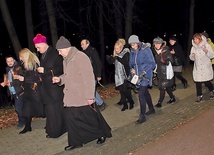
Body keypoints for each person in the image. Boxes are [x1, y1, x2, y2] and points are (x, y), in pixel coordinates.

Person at [52, 36, 112, 151]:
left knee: (90, 118)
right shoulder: (66, 59)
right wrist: (59, 79)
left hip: (82, 95)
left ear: (66, 48)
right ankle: (76, 141)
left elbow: (88, 77)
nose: (59, 53)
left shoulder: (80, 57)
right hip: (70, 96)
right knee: (71, 119)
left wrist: (90, 96)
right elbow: (68, 76)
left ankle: (101, 134)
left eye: (59, 51)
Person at [33, 33, 66, 138]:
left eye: (38, 47)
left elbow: (60, 69)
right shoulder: (43, 54)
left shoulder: (55, 53)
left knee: (55, 110)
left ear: (43, 44)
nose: (37, 50)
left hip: (54, 88)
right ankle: (52, 130)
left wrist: (45, 71)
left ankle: (57, 131)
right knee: (50, 111)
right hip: (46, 88)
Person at [128, 35, 156, 124]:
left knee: (141, 95)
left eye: (134, 43)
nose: (132, 45)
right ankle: (151, 109)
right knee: (145, 93)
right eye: (131, 44)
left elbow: (152, 64)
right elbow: (131, 63)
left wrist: (143, 71)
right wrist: (132, 69)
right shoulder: (132, 52)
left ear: (137, 42)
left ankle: (142, 116)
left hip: (145, 75)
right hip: (137, 76)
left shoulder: (145, 50)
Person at [16, 48, 44, 134]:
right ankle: (28, 127)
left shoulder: (34, 64)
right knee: (27, 108)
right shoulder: (25, 65)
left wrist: (23, 78)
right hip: (28, 90)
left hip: (35, 90)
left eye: (21, 56)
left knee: (42, 108)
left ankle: (51, 122)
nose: (20, 58)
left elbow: (36, 78)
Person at [106, 38, 135, 111]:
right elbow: (112, 63)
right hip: (118, 76)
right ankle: (125, 104)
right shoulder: (116, 54)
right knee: (122, 91)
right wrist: (109, 59)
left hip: (126, 75)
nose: (116, 50)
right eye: (115, 49)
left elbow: (125, 62)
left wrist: (117, 58)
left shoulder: (126, 52)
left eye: (118, 48)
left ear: (121, 47)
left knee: (126, 90)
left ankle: (131, 101)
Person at [80, 39, 106, 111]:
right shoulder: (83, 53)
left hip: (93, 75)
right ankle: (99, 103)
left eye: (83, 44)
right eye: (81, 44)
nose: (81, 46)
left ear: (87, 44)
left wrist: (98, 75)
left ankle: (100, 103)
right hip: (87, 75)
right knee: (92, 90)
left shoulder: (92, 51)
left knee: (91, 91)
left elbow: (98, 63)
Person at [0, 56, 25, 127]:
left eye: (11, 61)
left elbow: (20, 81)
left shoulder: (18, 68)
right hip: (13, 92)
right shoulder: (8, 70)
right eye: (8, 61)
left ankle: (23, 121)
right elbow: (9, 80)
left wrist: (10, 83)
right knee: (19, 107)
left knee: (18, 108)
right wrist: (5, 83)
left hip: (19, 91)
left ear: (14, 60)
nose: (10, 63)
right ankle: (23, 120)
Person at [189, 33, 214, 102]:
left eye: (196, 39)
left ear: (200, 39)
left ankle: (211, 90)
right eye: (194, 39)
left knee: (207, 81)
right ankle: (199, 95)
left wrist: (207, 52)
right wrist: (192, 56)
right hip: (198, 68)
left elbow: (212, 55)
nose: (195, 40)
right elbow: (191, 58)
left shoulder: (206, 45)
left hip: (206, 67)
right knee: (198, 82)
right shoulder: (193, 47)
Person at [152, 37, 176, 108]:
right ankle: (172, 98)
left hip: (166, 72)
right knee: (167, 87)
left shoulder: (166, 51)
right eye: (155, 44)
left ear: (161, 44)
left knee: (162, 87)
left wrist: (165, 61)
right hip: (159, 72)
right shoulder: (156, 52)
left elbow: (172, 61)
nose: (156, 45)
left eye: (158, 44)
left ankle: (160, 102)